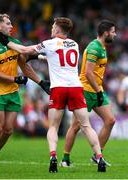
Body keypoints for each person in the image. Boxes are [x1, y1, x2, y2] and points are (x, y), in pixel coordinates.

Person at [0, 17, 107, 173]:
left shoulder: (49, 43)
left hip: (58, 88)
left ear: (58, 29)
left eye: (53, 27)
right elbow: (57, 57)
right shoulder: (74, 44)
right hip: (75, 88)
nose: (52, 29)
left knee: (53, 126)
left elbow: (24, 50)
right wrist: (39, 56)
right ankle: (99, 157)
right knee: (86, 126)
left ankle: (53, 156)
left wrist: (5, 41)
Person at [0, 13, 50, 173]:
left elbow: (25, 66)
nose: (11, 26)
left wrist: (40, 82)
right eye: (8, 23)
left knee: (8, 131)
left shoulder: (15, 43)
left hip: (13, 93)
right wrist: (15, 79)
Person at [59, 20, 116, 167]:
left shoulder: (102, 47)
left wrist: (99, 90)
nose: (115, 35)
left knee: (110, 120)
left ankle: (97, 156)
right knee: (76, 126)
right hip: (85, 90)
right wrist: (98, 91)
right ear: (106, 33)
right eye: (113, 31)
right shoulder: (94, 48)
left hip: (96, 90)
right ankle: (65, 158)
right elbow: (88, 73)